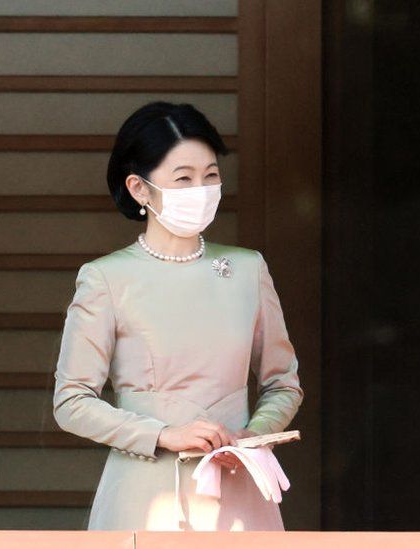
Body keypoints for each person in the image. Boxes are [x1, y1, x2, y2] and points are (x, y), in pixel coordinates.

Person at [52, 102, 303, 531]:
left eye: (211, 175)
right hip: (145, 492)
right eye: (183, 178)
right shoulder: (105, 279)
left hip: (239, 489)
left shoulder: (248, 269)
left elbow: (283, 384)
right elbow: (71, 401)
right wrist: (163, 435)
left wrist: (252, 435)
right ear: (139, 189)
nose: (201, 189)